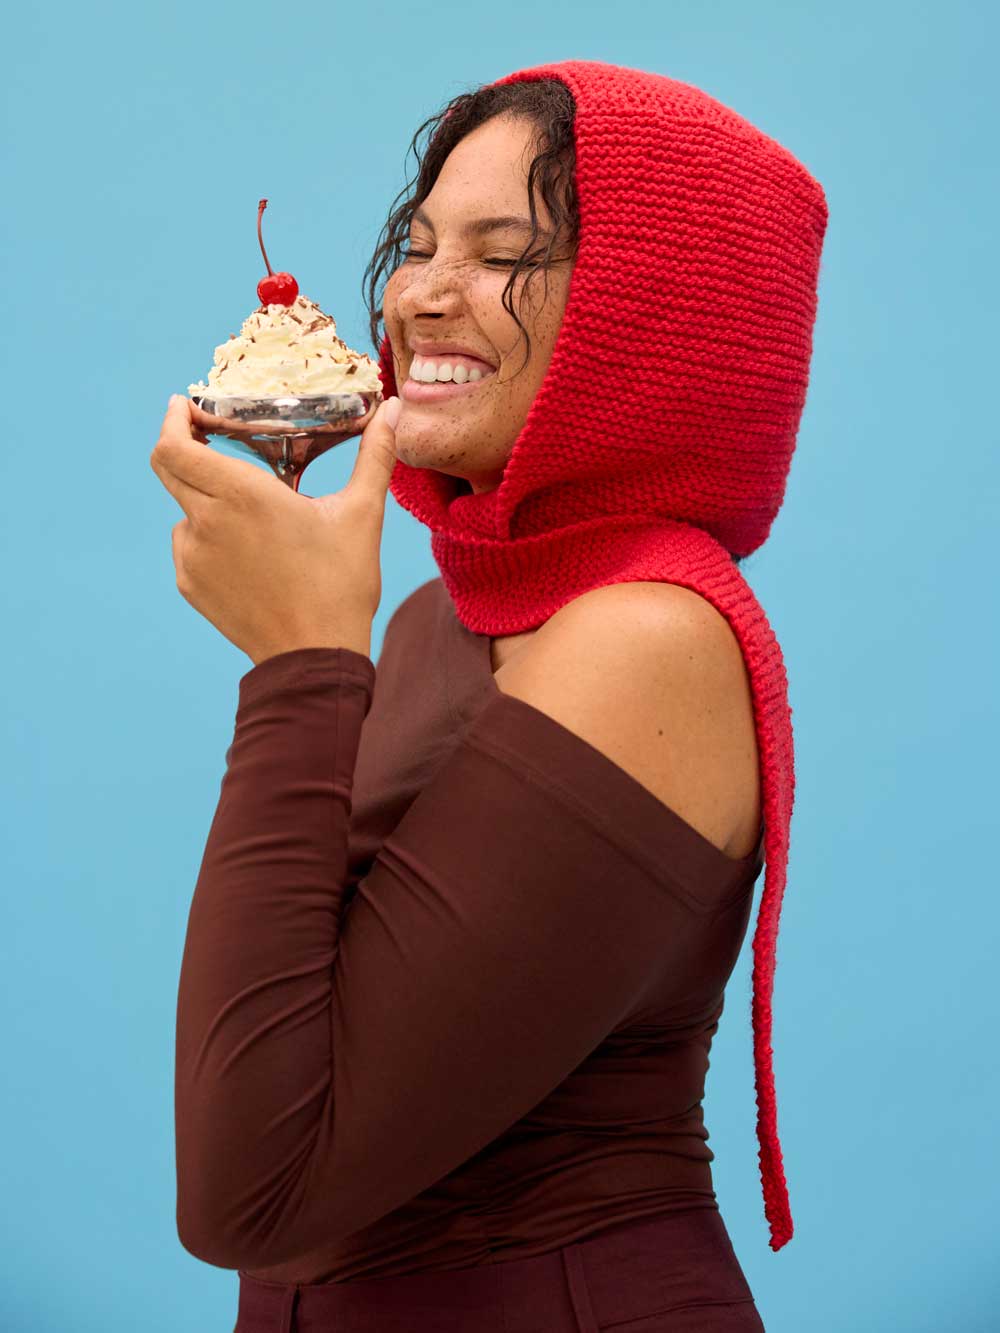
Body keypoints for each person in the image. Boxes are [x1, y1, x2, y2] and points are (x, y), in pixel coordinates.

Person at [172, 59, 827, 1332]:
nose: (419, 294)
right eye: (418, 244)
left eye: (505, 255)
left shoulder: (651, 635)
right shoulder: (438, 617)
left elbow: (251, 1187)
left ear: (652, 319)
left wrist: (297, 665)